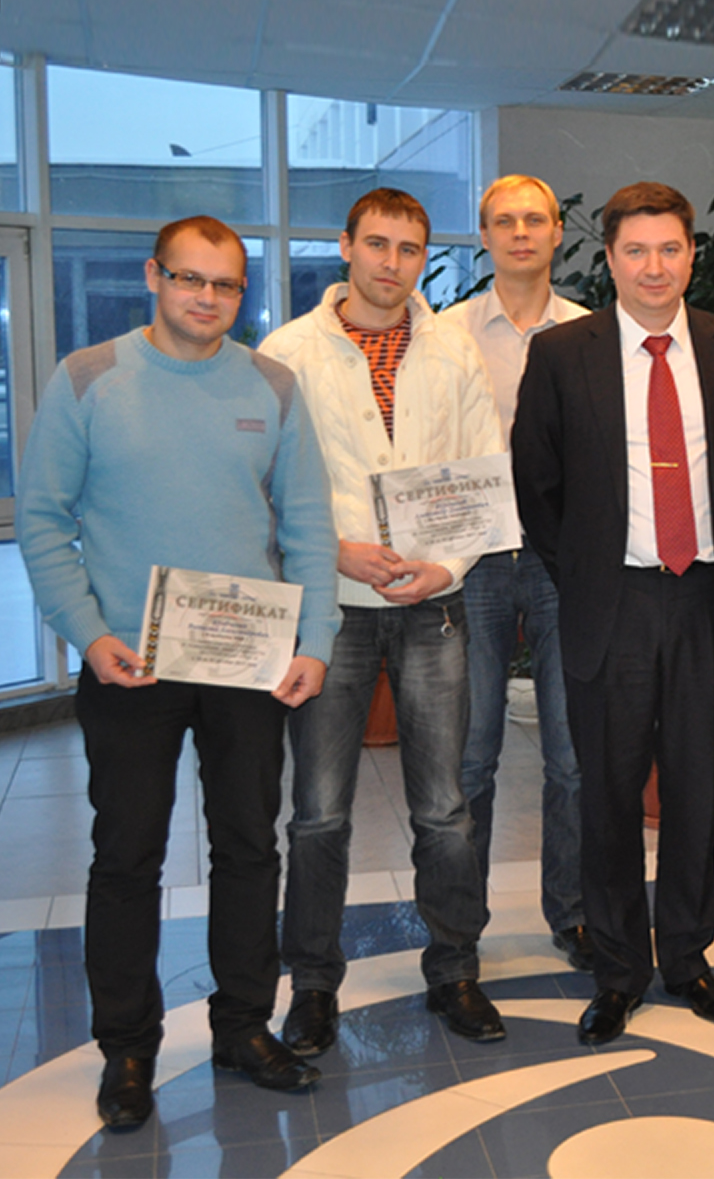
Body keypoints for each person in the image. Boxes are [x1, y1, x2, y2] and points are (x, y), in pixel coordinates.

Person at [17, 216, 339, 1129]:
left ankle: (243, 1024)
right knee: (127, 856)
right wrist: (86, 634)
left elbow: (309, 525)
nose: (208, 298)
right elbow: (43, 521)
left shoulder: (273, 386)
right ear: (153, 277)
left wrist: (314, 641)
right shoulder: (88, 380)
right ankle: (127, 1049)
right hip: (131, 667)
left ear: (243, 294)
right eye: (191, 279)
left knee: (248, 847)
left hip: (247, 663)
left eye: (227, 286)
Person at [260, 188, 508, 1056]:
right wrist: (338, 553)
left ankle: (455, 971)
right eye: (377, 244)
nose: (392, 263)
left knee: (444, 809)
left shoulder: (452, 349)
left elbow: (486, 470)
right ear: (345, 246)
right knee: (320, 811)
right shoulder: (287, 352)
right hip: (332, 611)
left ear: (423, 257)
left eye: (409, 248)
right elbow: (266, 482)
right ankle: (314, 985)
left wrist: (448, 565)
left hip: (434, 602)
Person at [512, 181, 714, 1046]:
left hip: (707, 599)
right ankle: (618, 969)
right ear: (609, 259)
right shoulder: (562, 353)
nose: (654, 267)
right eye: (636, 251)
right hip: (608, 602)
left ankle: (687, 957)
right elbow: (536, 485)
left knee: (696, 789)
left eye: (670, 249)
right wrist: (582, 573)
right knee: (607, 795)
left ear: (692, 255)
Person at [443, 174, 595, 973]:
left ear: (557, 232)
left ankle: (570, 916)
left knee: (573, 755)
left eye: (535, 218)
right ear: (484, 234)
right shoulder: (448, 334)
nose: (521, 233)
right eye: (504, 221)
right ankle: (459, 928)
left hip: (560, 558)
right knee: (472, 756)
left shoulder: (589, 332)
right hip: (473, 561)